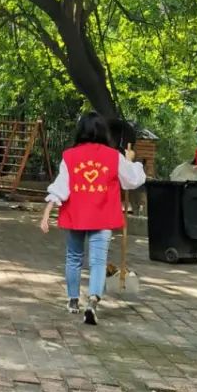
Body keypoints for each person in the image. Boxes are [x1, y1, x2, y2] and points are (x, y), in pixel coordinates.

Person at [40, 111, 146, 326]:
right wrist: (130, 161)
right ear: (103, 132)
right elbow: (133, 180)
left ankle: (72, 300)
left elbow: (61, 187)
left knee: (74, 258)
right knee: (98, 261)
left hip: (76, 215)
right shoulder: (113, 156)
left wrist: (47, 212)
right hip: (102, 216)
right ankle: (93, 301)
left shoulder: (70, 156)